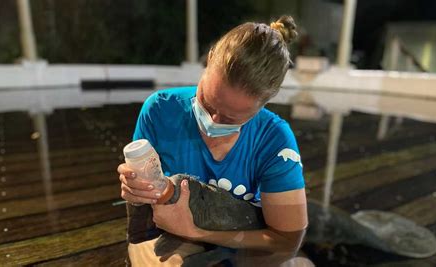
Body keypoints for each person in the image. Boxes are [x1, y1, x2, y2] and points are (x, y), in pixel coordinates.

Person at [118, 15, 309, 266]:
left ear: (263, 104)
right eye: (207, 102)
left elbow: (286, 242)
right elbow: (146, 200)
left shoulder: (275, 141)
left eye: (230, 118)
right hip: (171, 233)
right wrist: (136, 190)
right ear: (208, 61)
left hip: (245, 237)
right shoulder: (160, 110)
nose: (212, 121)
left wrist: (198, 232)